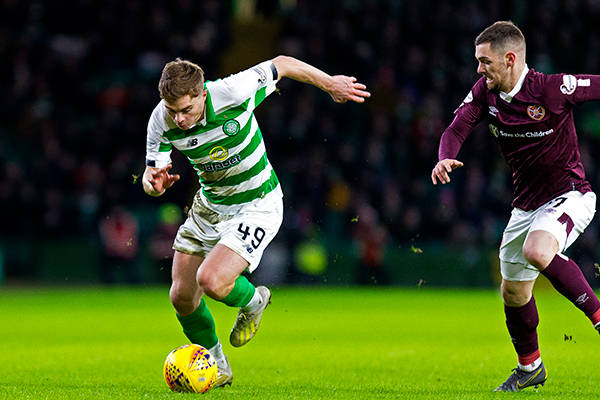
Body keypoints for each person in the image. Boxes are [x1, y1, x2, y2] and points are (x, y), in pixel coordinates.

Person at [142, 56, 370, 387]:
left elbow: (283, 63)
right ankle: (217, 365)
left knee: (212, 281)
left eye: (186, 110)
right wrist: (153, 186)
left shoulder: (232, 92)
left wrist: (330, 83)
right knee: (181, 295)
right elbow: (151, 177)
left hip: (256, 203)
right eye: (172, 110)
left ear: (202, 94)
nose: (179, 118)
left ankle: (254, 301)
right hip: (210, 205)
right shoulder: (161, 120)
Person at [431, 20, 600, 392]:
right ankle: (530, 368)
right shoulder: (485, 93)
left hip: (570, 194)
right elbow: (456, 129)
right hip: (525, 207)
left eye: (484, 61)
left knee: (537, 250)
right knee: (513, 292)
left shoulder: (552, 89)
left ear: (509, 59)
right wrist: (444, 157)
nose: (478, 69)